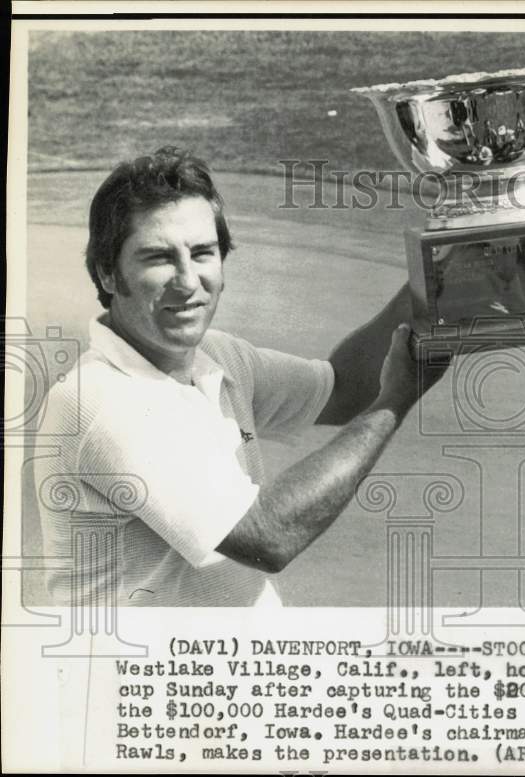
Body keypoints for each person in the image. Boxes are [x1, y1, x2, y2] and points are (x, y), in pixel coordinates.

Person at [36, 147, 445, 606]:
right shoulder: (100, 400)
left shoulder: (218, 356)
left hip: (233, 667)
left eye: (203, 253)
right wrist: (395, 402)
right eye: (158, 258)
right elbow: (268, 535)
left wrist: (441, 266)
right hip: (151, 676)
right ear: (107, 274)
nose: (188, 281)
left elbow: (345, 387)